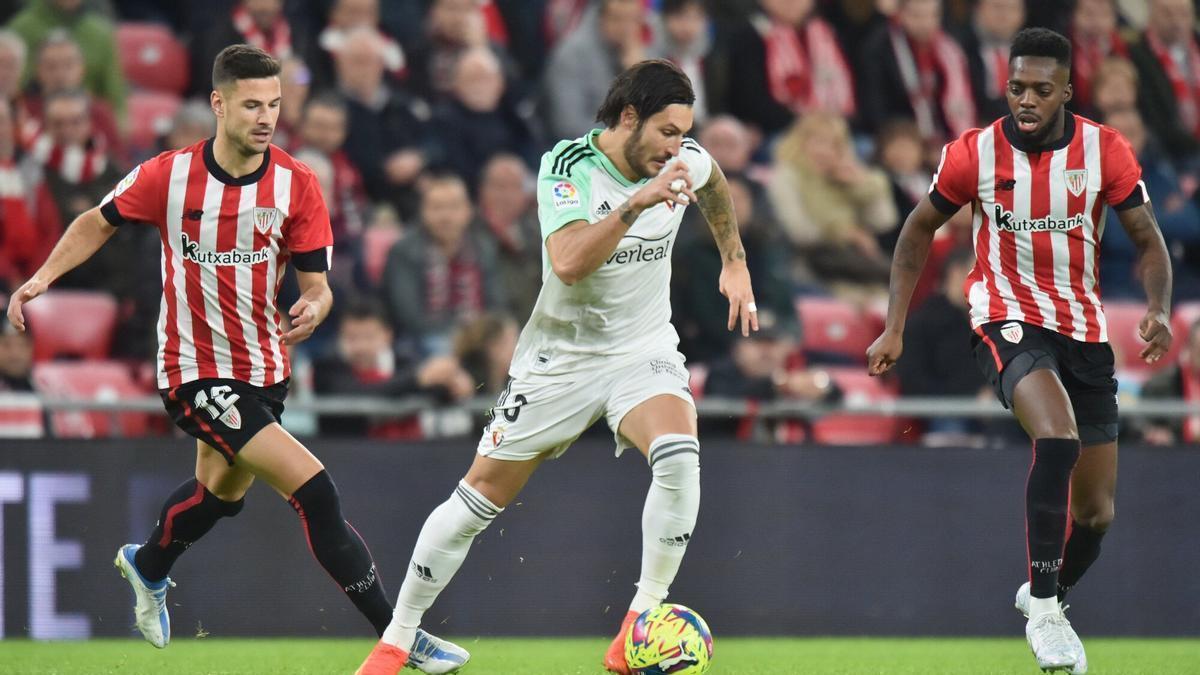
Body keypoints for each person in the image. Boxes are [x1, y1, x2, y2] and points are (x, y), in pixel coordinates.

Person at [4, 44, 465, 674]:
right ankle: (399, 635)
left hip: (265, 370)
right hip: (192, 370)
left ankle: (148, 563)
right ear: (218, 105)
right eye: (252, 104)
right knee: (317, 492)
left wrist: (316, 307)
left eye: (274, 104)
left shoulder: (296, 184)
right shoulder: (167, 175)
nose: (266, 116)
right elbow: (97, 221)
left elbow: (317, 284)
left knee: (218, 498)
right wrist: (41, 278)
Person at [356, 59, 757, 675]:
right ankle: (397, 640)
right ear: (629, 118)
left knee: (680, 455)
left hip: (641, 349)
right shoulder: (566, 167)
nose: (679, 147)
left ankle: (635, 626)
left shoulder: (684, 161)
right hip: (559, 360)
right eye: (667, 132)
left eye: (684, 132)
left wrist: (733, 258)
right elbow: (569, 262)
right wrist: (635, 204)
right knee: (477, 497)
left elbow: (713, 182)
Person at [866, 28, 1173, 674]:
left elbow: (1148, 241)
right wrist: (894, 323)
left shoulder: (1104, 150)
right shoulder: (972, 154)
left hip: (1082, 332)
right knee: (1056, 437)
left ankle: (1045, 593)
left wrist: (1158, 308)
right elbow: (917, 229)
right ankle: (1045, 611)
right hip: (1004, 316)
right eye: (1016, 87)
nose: (1026, 100)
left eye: (1040, 89)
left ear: (1065, 89)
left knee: (1095, 517)